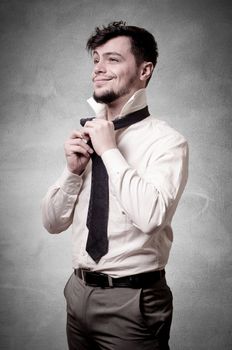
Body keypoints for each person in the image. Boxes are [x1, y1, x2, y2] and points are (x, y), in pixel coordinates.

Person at [42, 21, 188, 350]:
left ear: (144, 70)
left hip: (133, 303)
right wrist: (71, 172)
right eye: (96, 59)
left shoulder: (167, 142)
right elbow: (52, 223)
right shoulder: (86, 137)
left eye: (112, 59)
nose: (99, 69)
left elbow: (151, 218)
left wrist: (109, 151)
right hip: (77, 295)